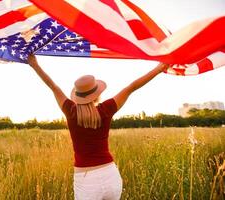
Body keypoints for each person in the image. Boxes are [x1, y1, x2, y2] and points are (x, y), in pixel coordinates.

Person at [27, 54, 169, 200]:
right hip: (110, 175)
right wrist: (158, 68)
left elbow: (53, 86)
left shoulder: (71, 111)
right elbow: (131, 87)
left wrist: (35, 65)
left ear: (77, 95)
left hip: (86, 180)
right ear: (96, 95)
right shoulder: (106, 109)